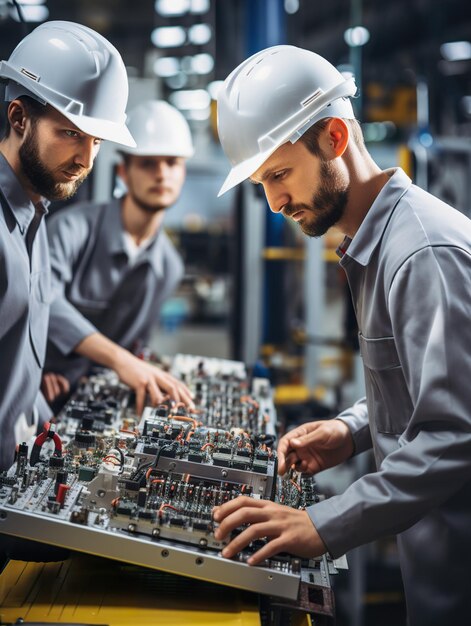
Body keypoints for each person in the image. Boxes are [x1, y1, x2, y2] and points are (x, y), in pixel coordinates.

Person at [212, 45, 471, 626]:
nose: (274, 201)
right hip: (434, 560)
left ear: (333, 137)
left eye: (278, 175)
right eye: (263, 182)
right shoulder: (377, 246)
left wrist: (321, 524)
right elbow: (422, 385)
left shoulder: (422, 253)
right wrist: (350, 430)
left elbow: (457, 432)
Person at [0, 21, 189, 473]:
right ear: (19, 118)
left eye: (96, 140)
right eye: (70, 132)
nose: (85, 158)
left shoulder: (36, 218)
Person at [41, 100, 194, 415]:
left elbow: (135, 345)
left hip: (95, 401)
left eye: (172, 162)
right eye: (148, 163)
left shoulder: (169, 266)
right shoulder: (72, 228)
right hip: (37, 387)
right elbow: (43, 300)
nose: (161, 174)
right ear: (124, 171)